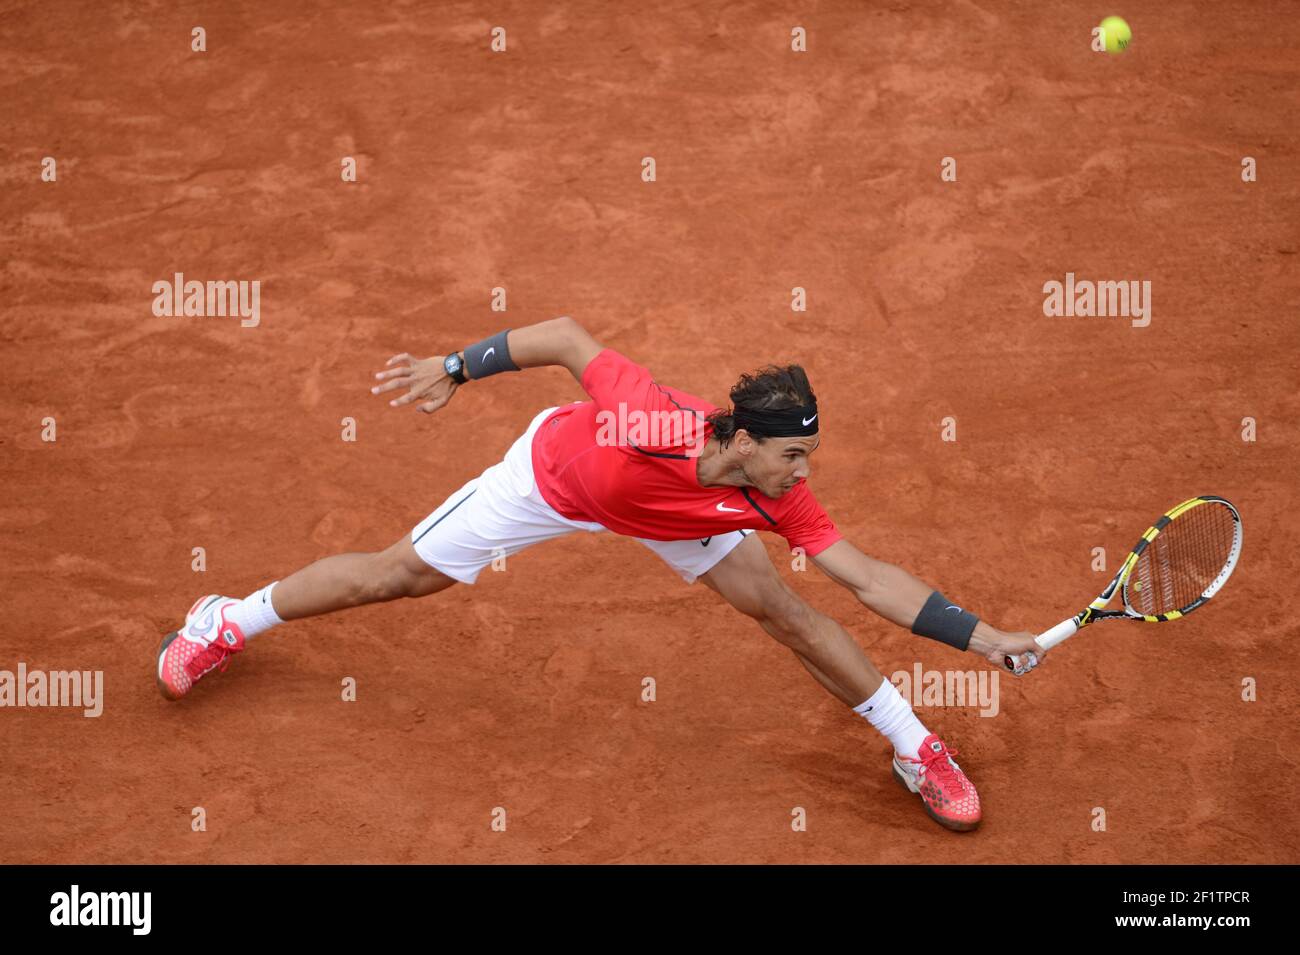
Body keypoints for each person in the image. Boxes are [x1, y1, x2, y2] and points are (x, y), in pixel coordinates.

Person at [156, 315, 1045, 832]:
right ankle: (229, 617)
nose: (802, 472)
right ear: (741, 441)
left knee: (787, 612)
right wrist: (455, 369)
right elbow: (566, 336)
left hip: (682, 523)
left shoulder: (772, 497)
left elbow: (870, 579)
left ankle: (913, 746)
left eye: (809, 455)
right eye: (792, 455)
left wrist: (984, 636)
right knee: (394, 576)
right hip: (551, 482)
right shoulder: (649, 418)